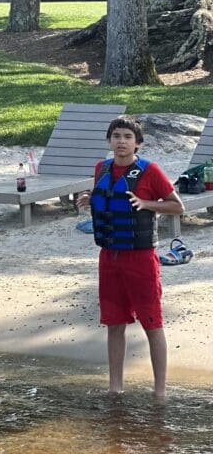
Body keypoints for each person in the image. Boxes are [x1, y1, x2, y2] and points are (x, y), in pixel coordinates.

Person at [76, 115, 184, 400]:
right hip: (109, 258)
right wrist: (90, 199)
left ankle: (160, 391)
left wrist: (146, 203)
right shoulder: (102, 168)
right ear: (109, 140)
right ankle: (115, 387)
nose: (121, 141)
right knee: (114, 323)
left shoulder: (150, 171)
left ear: (137, 143)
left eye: (127, 137)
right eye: (116, 136)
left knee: (152, 322)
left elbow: (177, 206)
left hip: (141, 259)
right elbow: (107, 199)